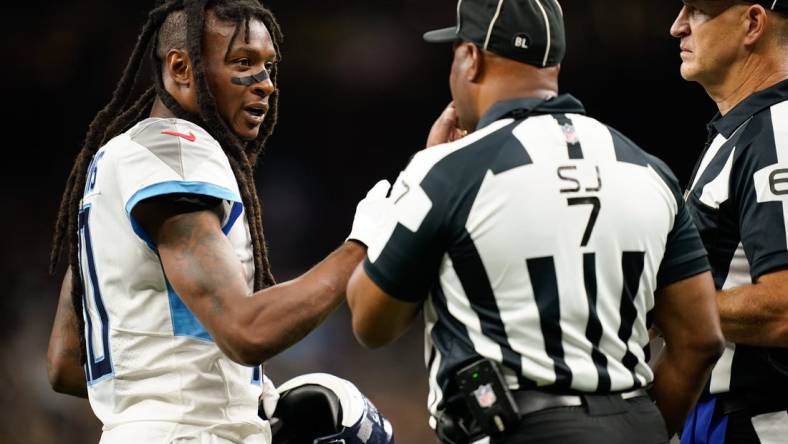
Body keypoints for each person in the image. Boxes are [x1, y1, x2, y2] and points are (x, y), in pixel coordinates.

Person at [347, 1, 725, 443]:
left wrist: (415, 185)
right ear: (553, 64)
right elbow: (701, 340)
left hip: (520, 427)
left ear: (471, 59)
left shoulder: (447, 171)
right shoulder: (648, 169)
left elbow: (371, 323)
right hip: (635, 420)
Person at [45, 1, 389, 442]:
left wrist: (233, 396)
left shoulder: (120, 162)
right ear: (181, 67)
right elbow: (246, 329)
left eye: (269, 67)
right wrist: (359, 249)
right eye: (243, 62)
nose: (265, 85)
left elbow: (66, 361)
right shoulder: (176, 149)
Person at [670, 1, 788, 443]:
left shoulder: (778, 130)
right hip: (723, 416)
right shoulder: (745, 130)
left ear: (753, 23)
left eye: (696, 10)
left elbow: (784, 308)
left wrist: (666, 304)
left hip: (765, 422)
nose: (676, 27)